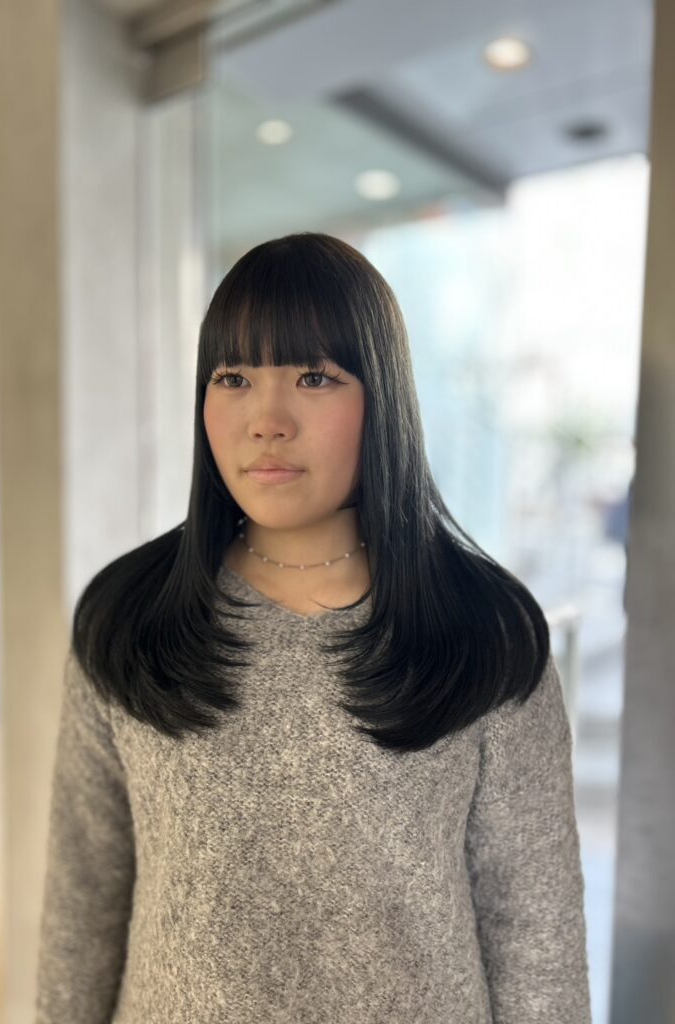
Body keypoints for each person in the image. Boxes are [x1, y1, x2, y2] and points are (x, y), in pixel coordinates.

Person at [34, 232, 592, 1023]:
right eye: (233, 378)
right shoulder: (127, 620)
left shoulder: (487, 634)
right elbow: (83, 901)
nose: (267, 420)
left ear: (382, 398)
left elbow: (534, 930)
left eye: (314, 377)